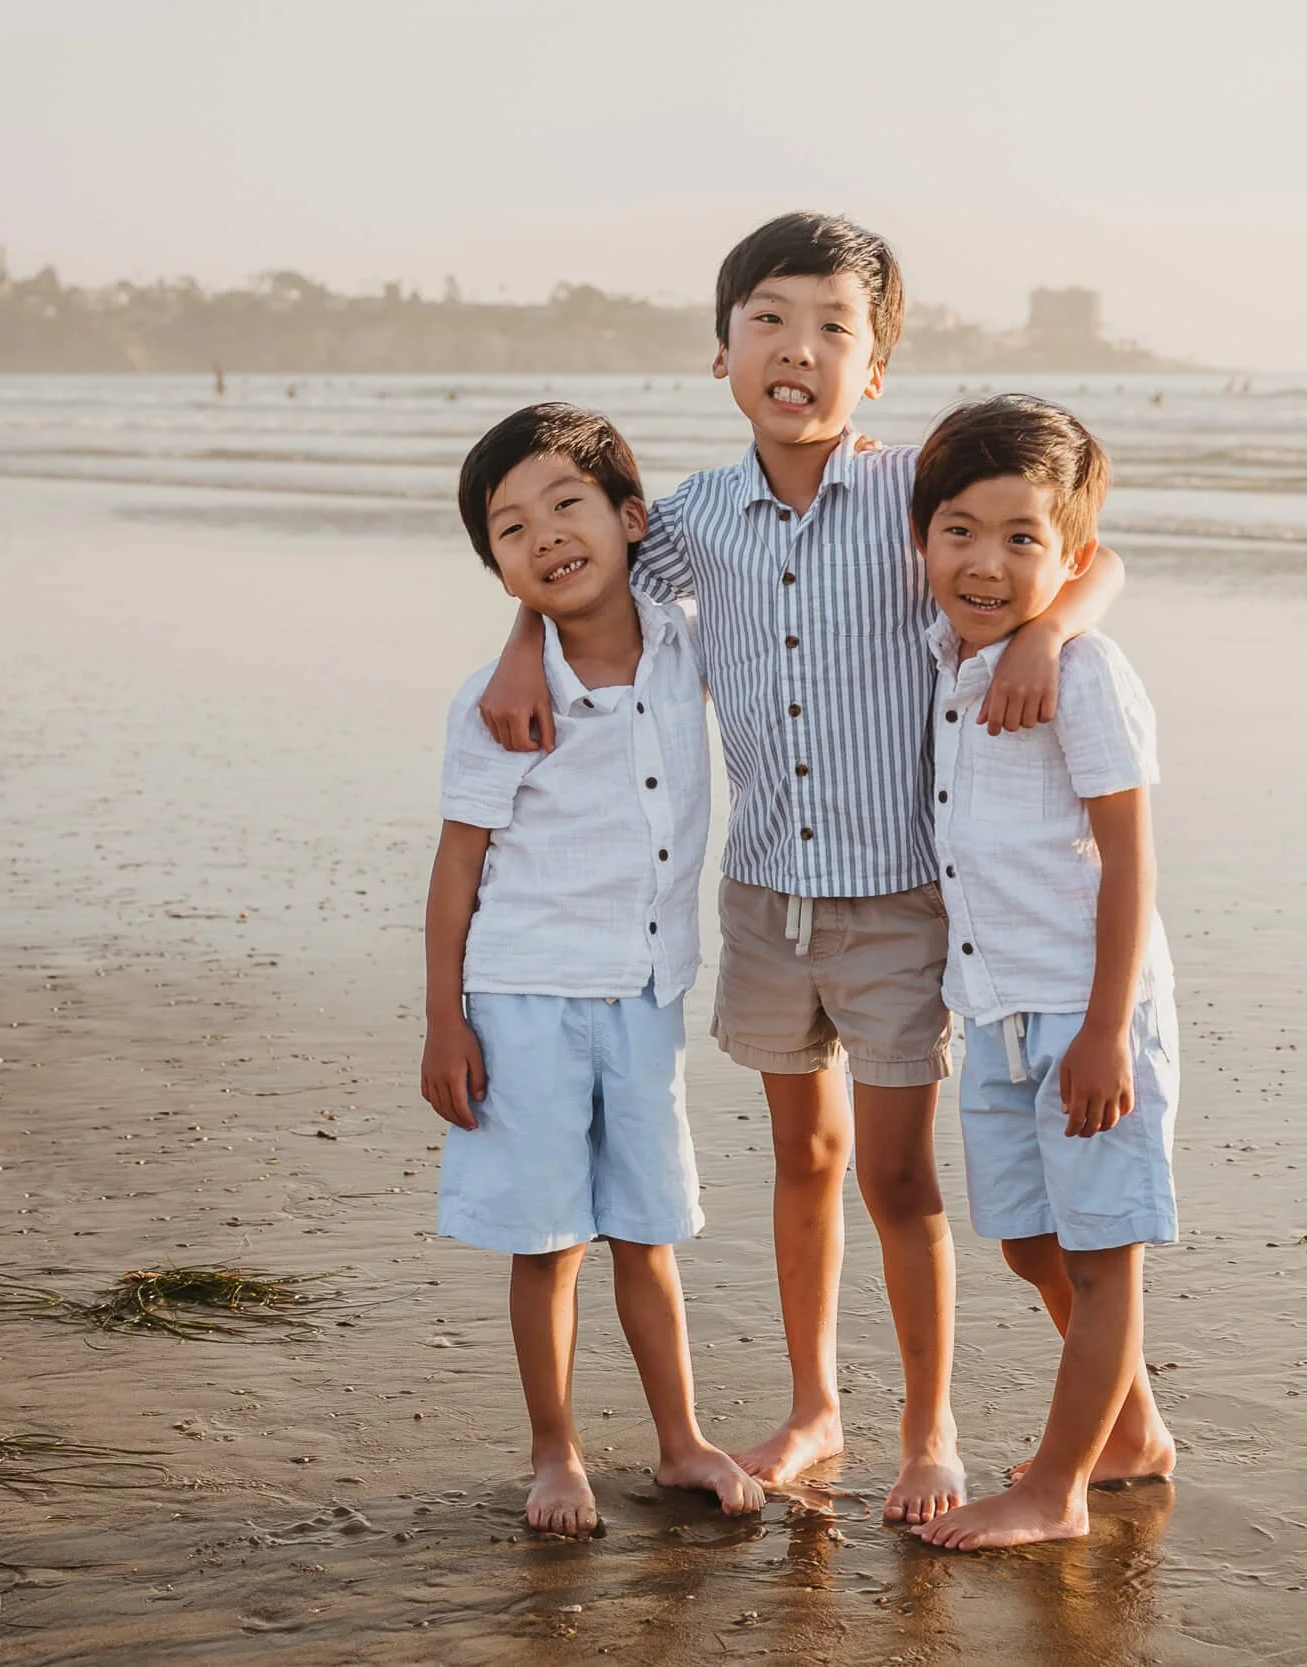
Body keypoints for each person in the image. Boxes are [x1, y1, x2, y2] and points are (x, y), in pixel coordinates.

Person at [477, 212, 1127, 1525]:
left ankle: (929, 1430)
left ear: (875, 369)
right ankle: (814, 1402)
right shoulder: (696, 518)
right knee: (803, 1155)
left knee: (898, 1174)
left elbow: (1093, 548)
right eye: (770, 319)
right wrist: (515, 638)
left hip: (897, 901)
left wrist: (1048, 632)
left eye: (837, 327)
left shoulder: (910, 496)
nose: (800, 347)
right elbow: (577, 563)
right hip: (766, 896)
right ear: (721, 354)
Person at [420, 403, 764, 1537]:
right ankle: (555, 1450)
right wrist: (444, 1021)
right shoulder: (500, 698)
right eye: (510, 529)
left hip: (647, 988)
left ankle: (679, 1438)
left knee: (648, 1229)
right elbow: (456, 865)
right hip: (524, 995)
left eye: (565, 504)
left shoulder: (687, 644)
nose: (546, 536)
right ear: (499, 568)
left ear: (626, 517)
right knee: (549, 1239)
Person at [903, 395, 1181, 1551]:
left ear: (1066, 560)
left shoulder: (1086, 670)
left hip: (1084, 1008)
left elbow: (1129, 860)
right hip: (995, 1005)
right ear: (921, 538)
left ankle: (1060, 1488)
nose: (985, 561)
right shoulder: (941, 655)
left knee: (1102, 1253)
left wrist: (1107, 1029)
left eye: (1023, 539)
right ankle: (1132, 1434)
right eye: (960, 530)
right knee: (1027, 1242)